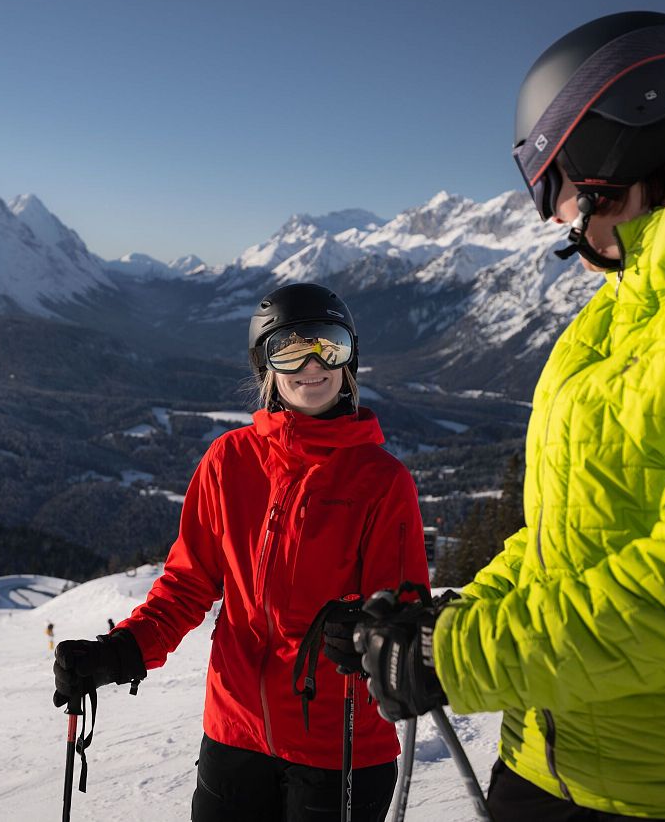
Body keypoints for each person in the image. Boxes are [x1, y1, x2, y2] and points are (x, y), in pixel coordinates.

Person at [340, 11, 665, 822]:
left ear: (625, 140)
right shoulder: (605, 324)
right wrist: (448, 618)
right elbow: (559, 543)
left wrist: (455, 656)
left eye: (560, 182)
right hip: (540, 761)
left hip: (657, 791)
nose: (554, 216)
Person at [52, 282, 430, 822]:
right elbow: (185, 586)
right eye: (290, 349)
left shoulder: (382, 481)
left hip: (339, 747)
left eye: (329, 344)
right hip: (234, 738)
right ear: (265, 367)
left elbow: (405, 611)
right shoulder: (229, 461)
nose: (312, 364)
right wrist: (120, 652)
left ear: (350, 360)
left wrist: (368, 630)